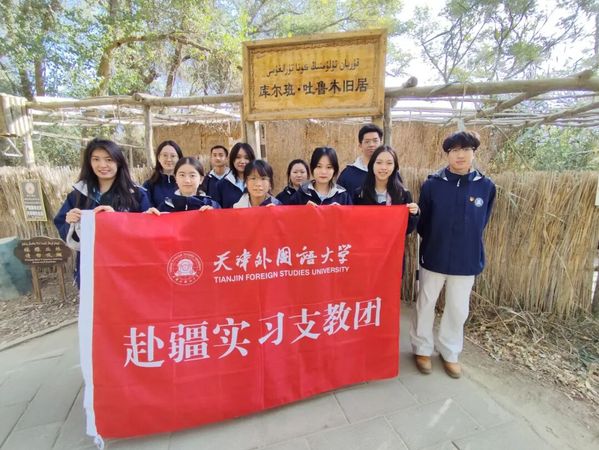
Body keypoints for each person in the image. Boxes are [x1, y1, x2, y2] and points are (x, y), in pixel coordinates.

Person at [410, 131, 496, 379]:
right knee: (425, 304)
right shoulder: (432, 184)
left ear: (473, 153)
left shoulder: (486, 186)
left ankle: (450, 351)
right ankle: (422, 348)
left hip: (467, 258)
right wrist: (435, 240)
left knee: (458, 308)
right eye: (455, 150)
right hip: (434, 255)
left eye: (466, 149)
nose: (460, 155)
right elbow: (423, 222)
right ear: (447, 154)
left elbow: (483, 221)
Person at [54, 138, 150, 286]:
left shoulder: (136, 194)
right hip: (91, 267)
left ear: (119, 162)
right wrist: (70, 222)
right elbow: (63, 230)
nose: (102, 165)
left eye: (109, 159)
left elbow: (147, 231)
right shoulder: (78, 194)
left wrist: (117, 219)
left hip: (127, 267)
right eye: (96, 159)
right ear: (89, 162)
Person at [353, 145, 419, 234]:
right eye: (379, 162)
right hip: (366, 242)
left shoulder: (403, 194)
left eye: (389, 163)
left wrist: (414, 214)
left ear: (395, 167)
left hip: (391, 243)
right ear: (372, 165)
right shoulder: (360, 194)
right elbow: (354, 224)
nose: (383, 167)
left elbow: (407, 229)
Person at [146, 157, 221, 214]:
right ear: (175, 178)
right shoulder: (166, 206)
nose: (187, 180)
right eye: (182, 175)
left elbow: (222, 226)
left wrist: (214, 215)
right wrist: (150, 218)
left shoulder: (212, 205)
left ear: (201, 179)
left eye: (192, 175)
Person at [338, 124, 395, 194]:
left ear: (381, 143)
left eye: (375, 141)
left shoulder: (390, 172)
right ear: (360, 145)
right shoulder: (348, 174)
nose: (371, 145)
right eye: (367, 141)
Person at [213, 142, 256, 208]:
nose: (242, 161)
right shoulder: (221, 185)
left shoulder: (259, 182)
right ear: (232, 160)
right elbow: (216, 209)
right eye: (238, 157)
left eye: (246, 158)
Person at [142, 140, 183, 207]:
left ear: (179, 158)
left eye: (173, 156)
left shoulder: (187, 183)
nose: (169, 159)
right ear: (158, 158)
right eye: (165, 155)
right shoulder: (148, 185)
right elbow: (146, 208)